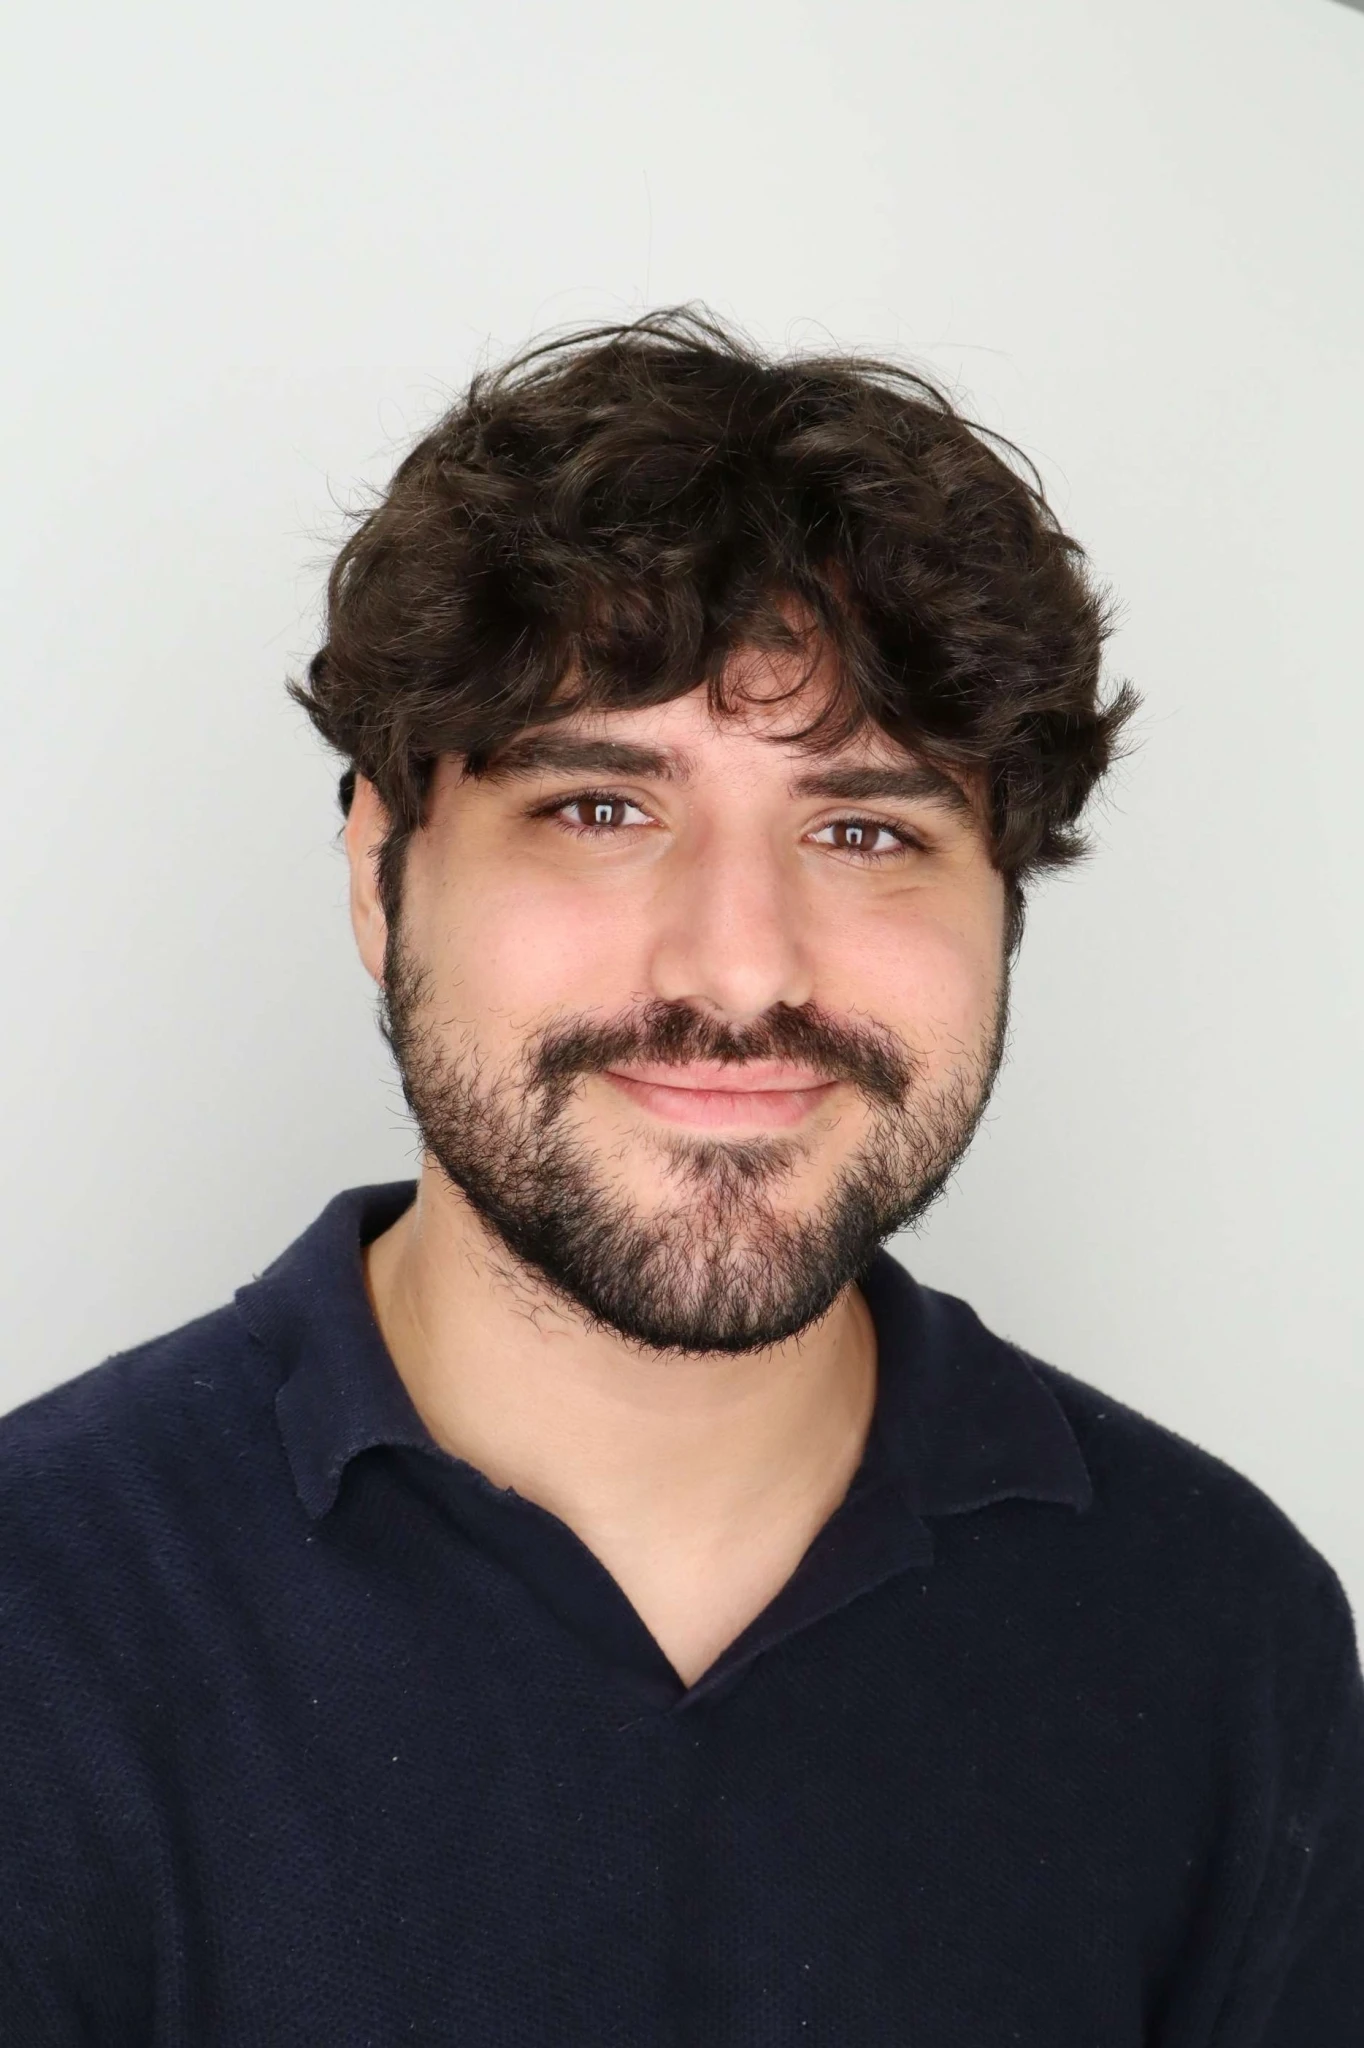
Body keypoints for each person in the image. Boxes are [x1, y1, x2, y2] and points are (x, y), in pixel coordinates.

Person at [1, 309, 1359, 2045]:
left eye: (866, 830)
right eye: (597, 808)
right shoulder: (37, 1619)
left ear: (1004, 910)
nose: (735, 969)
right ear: (377, 868)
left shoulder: (1222, 1632)